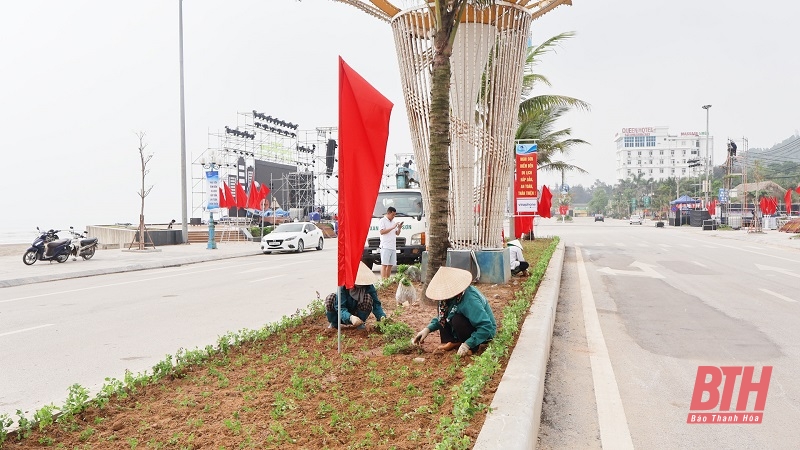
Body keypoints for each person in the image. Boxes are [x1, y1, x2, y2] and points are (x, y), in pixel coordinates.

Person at [411, 267, 496, 356]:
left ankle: (472, 347)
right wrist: (427, 329)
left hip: (483, 333)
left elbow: (486, 326)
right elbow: (442, 317)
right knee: (444, 313)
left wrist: (468, 344)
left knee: (457, 319)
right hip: (467, 323)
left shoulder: (470, 299)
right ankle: (454, 342)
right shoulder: (448, 299)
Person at [325, 262, 386, 329]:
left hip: (358, 313)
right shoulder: (344, 286)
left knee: (367, 298)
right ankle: (334, 323)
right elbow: (340, 307)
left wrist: (381, 316)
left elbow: (376, 304)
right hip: (342, 314)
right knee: (330, 298)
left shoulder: (368, 286)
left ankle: (360, 323)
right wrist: (350, 317)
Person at [378, 206, 403, 279]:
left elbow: (397, 233)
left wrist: (399, 228)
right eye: (392, 215)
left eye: (394, 215)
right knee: (384, 264)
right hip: (385, 246)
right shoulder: (382, 220)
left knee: (390, 265)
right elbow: (382, 232)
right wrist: (392, 227)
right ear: (388, 213)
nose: (393, 217)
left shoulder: (393, 222)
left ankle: (387, 280)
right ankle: (383, 280)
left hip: (393, 246)